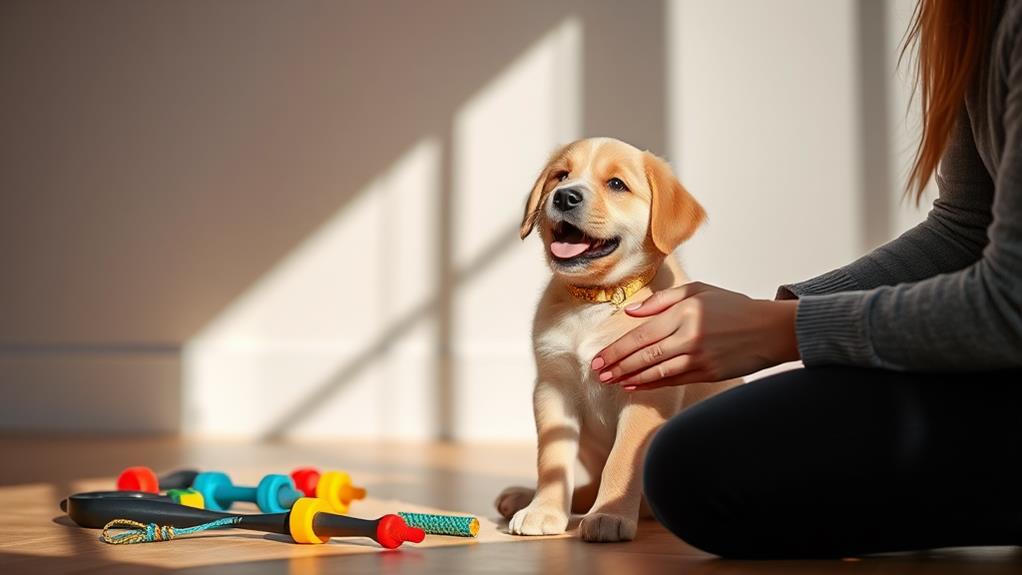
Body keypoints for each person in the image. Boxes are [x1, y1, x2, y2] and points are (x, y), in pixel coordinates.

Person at [589, 0, 1022, 559]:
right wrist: (777, 309)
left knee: (698, 470)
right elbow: (967, 226)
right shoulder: (973, 16)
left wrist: (786, 329)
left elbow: (1011, 302)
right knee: (703, 456)